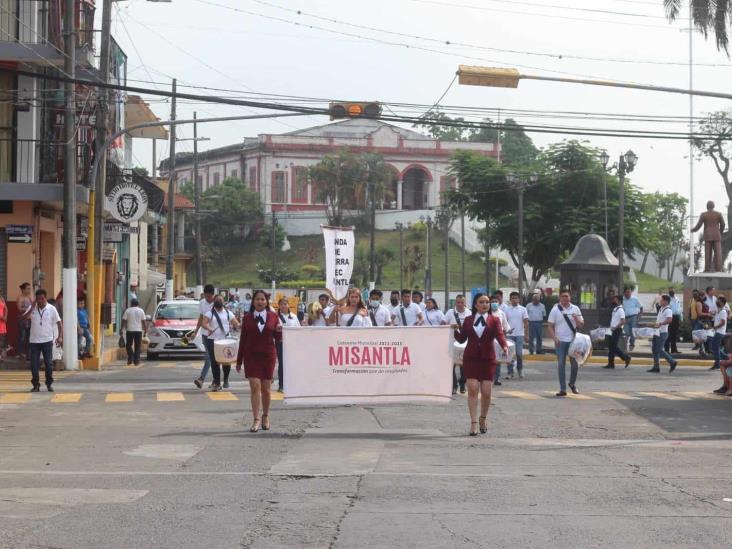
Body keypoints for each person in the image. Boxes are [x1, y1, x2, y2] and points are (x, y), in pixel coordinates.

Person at [453, 293, 508, 436]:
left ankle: (483, 418)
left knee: (486, 392)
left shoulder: (494, 320)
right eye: (481, 302)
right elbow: (461, 338)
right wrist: (453, 330)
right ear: (475, 305)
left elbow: (500, 335)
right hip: (471, 358)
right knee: (472, 389)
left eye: (487, 302)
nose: (485, 304)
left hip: (487, 359)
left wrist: (504, 346)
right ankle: (473, 423)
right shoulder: (468, 320)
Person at [236, 290, 282, 433]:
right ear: (253, 301)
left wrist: (280, 331)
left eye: (263, 299)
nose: (260, 302)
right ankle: (256, 418)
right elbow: (243, 340)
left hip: (268, 356)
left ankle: (265, 416)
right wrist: (239, 360)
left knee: (266, 389)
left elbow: (278, 339)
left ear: (266, 302)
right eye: (257, 299)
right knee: (255, 386)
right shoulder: (247, 318)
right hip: (251, 356)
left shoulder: (274, 317)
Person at [22, 289, 62, 392]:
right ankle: (36, 385)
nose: (41, 301)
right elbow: (24, 318)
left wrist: (60, 337)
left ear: (46, 298)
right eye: (38, 299)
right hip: (34, 341)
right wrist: (32, 308)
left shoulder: (51, 309)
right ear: (36, 299)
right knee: (34, 364)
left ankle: (49, 383)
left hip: (47, 341)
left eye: (43, 298)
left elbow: (59, 323)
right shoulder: (32, 308)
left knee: (48, 363)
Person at [547, 289, 584, 396]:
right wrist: (554, 338)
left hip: (573, 341)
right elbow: (550, 325)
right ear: (560, 298)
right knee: (561, 365)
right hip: (560, 341)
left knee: (575, 364)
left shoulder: (575, 309)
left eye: (567, 296)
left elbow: (581, 325)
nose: (565, 298)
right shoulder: (555, 310)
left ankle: (572, 383)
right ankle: (562, 389)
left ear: (570, 297)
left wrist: (576, 319)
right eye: (563, 296)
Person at [202, 295, 240, 391]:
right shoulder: (209, 313)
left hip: (225, 341)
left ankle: (226, 379)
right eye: (217, 299)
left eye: (221, 299)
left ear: (224, 302)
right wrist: (209, 328)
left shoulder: (228, 313)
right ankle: (217, 382)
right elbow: (204, 323)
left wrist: (242, 325)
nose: (219, 301)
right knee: (215, 362)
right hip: (213, 341)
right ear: (214, 302)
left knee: (226, 361)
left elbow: (236, 324)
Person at [691, 200, 725, 272]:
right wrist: (720, 232)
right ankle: (719, 269)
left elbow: (699, 225)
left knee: (707, 253)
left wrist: (693, 230)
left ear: (707, 206)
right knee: (718, 253)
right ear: (713, 206)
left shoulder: (704, 214)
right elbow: (723, 224)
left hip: (708, 236)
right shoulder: (718, 214)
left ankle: (707, 269)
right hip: (717, 235)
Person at [193, 285, 217, 388]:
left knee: (215, 358)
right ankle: (203, 379)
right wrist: (196, 331)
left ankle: (213, 380)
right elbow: (201, 317)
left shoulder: (217, 302)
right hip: (205, 334)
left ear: (213, 294)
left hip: (216, 334)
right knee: (209, 356)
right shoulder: (202, 303)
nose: (207, 298)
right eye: (206, 296)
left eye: (209, 296)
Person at [275, 297, 301, 392]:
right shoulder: (275, 316)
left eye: (285, 304)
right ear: (279, 305)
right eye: (281, 304)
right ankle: (281, 385)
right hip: (280, 343)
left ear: (288, 305)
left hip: (292, 343)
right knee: (282, 363)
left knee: (291, 364)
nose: (283, 306)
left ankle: (291, 384)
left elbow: (298, 329)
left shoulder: (294, 316)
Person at [647, 294, 678, 373]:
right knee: (654, 349)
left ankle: (672, 362)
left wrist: (661, 324)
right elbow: (659, 320)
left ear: (666, 301)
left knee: (659, 349)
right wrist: (653, 324)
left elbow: (669, 320)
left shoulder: (668, 310)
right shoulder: (661, 309)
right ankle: (656, 366)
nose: (660, 301)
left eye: (662, 300)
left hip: (662, 332)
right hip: (657, 331)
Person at [446, 294, 469, 394]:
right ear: (455, 302)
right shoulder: (450, 312)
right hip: (452, 342)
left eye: (462, 302)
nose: (460, 304)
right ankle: (454, 386)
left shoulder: (469, 313)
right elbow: (443, 324)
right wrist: (451, 326)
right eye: (458, 302)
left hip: (465, 343)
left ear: (465, 303)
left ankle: (463, 383)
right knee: (452, 366)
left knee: (464, 365)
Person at [504, 292, 528, 379]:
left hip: (519, 334)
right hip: (509, 335)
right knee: (509, 354)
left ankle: (520, 369)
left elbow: (526, 322)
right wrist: (505, 332)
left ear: (519, 299)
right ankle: (510, 372)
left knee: (519, 353)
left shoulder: (523, 309)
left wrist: (526, 334)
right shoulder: (506, 310)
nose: (514, 300)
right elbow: (504, 322)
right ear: (510, 300)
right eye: (513, 298)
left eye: (516, 298)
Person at [604, 294, 631, 369]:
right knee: (611, 347)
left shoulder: (621, 310)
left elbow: (623, 321)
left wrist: (615, 327)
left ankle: (626, 357)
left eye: (615, 300)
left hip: (617, 330)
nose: (613, 301)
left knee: (613, 346)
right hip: (612, 329)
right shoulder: (615, 309)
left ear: (619, 301)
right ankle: (611, 363)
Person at [490, 294, 511, 385]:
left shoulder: (501, 313)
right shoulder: (487, 313)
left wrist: (508, 330)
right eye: (492, 302)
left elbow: (505, 324)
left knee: (498, 359)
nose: (494, 303)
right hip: (489, 338)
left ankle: (497, 378)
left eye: (496, 302)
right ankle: (489, 376)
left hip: (499, 337)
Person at [120, 298, 147, 366]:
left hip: (130, 330)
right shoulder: (141, 311)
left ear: (131, 304)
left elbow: (124, 320)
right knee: (137, 346)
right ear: (138, 304)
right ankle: (136, 361)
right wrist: (145, 330)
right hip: (138, 331)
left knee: (128, 345)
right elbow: (144, 321)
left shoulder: (128, 310)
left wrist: (121, 329)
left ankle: (130, 358)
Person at [622, 286, 643, 352]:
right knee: (626, 332)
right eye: (627, 292)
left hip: (633, 317)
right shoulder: (622, 299)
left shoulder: (635, 299)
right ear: (624, 293)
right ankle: (625, 346)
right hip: (625, 318)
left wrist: (639, 315)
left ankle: (632, 344)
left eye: (630, 292)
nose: (629, 293)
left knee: (633, 332)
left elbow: (641, 307)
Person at [16, 282, 33, 360]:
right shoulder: (20, 298)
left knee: (29, 337)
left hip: (29, 320)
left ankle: (28, 354)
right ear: (23, 289)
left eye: (30, 288)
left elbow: (33, 306)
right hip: (22, 320)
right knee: (22, 337)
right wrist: (28, 309)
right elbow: (19, 309)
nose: (29, 290)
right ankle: (20, 353)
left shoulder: (29, 298)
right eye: (28, 288)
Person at [711, 296, 728, 371]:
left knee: (716, 348)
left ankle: (717, 364)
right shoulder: (719, 311)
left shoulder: (723, 311)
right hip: (717, 332)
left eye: (719, 300)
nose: (717, 301)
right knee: (714, 348)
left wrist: (715, 327)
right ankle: (727, 358)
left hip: (719, 332)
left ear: (722, 302)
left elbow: (722, 323)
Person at [665, 288, 682, 355]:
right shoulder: (667, 299)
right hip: (670, 317)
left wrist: (680, 318)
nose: (672, 292)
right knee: (669, 334)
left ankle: (674, 349)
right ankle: (666, 349)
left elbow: (679, 308)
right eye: (671, 291)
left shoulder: (677, 298)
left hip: (676, 317)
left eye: (673, 291)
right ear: (669, 292)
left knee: (675, 334)